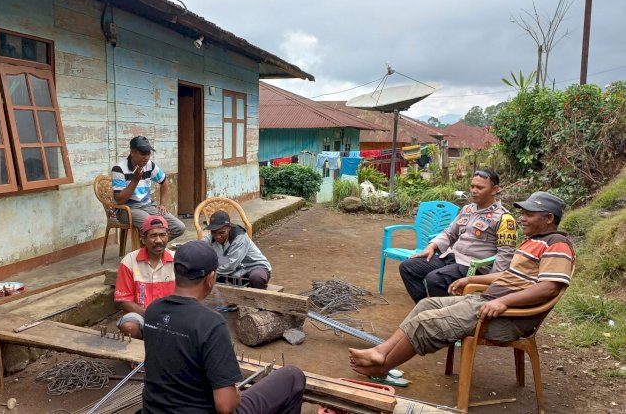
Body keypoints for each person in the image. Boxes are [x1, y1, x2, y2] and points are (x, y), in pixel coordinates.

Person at [349, 192, 574, 380]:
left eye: (528, 214)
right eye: (522, 213)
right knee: (427, 305)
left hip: (508, 318)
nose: (522, 218)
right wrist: (471, 280)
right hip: (488, 304)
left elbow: (549, 288)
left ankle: (383, 366)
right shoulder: (533, 241)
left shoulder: (557, 244)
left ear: (548, 218)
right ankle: (381, 351)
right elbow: (508, 275)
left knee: (426, 323)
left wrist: (503, 301)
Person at [142, 240, 306, 414]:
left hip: (153, 410)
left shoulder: (153, 310)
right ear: (211, 278)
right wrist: (235, 392)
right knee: (292, 376)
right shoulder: (211, 323)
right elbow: (225, 406)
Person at [399, 169, 517, 302]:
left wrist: (490, 283)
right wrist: (432, 246)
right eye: (472, 186)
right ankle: (424, 306)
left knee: (434, 279)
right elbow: (449, 233)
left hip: (473, 266)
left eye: (480, 187)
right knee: (408, 267)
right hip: (452, 258)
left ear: (494, 190)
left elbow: (505, 255)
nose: (473, 190)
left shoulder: (504, 219)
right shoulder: (467, 209)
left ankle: (443, 316)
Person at [111, 136, 186, 240]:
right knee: (153, 226)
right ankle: (149, 251)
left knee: (179, 227)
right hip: (127, 209)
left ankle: (153, 248)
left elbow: (164, 181)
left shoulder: (150, 165)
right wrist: (135, 180)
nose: (146, 157)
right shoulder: (119, 169)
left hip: (148, 206)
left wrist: (163, 204)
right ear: (132, 152)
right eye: (143, 154)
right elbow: (120, 200)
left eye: (148, 154)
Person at [114, 215, 175, 340]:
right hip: (140, 315)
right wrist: (152, 316)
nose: (158, 240)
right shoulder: (129, 261)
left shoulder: (178, 260)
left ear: (168, 236)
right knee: (129, 327)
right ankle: (138, 355)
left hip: (172, 315)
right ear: (143, 239)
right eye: (153, 235)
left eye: (162, 235)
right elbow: (125, 302)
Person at [202, 210, 271, 289]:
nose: (217, 236)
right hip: (234, 272)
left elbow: (231, 265)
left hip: (253, 267)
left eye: (222, 232)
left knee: (257, 278)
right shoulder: (210, 238)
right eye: (214, 232)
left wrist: (208, 272)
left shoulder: (240, 237)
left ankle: (260, 300)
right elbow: (199, 247)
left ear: (229, 228)